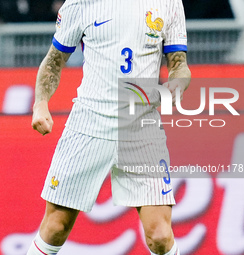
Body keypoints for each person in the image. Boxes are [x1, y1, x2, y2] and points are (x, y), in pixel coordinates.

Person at [29, 0, 191, 254]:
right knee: (56, 227)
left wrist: (175, 87)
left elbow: (179, 64)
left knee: (159, 235)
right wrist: (40, 104)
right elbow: (54, 60)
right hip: (88, 124)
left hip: (141, 127)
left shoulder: (168, 3)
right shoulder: (80, 3)